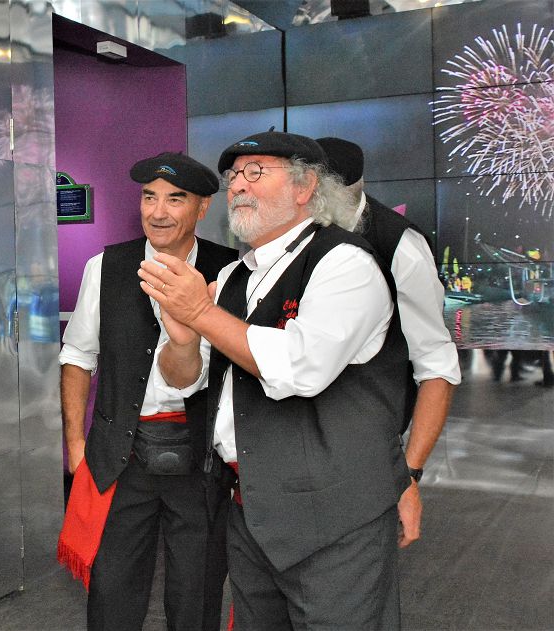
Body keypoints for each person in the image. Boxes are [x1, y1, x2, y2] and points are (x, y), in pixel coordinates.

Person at [139, 131, 411, 628]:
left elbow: (300, 369)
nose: (238, 186)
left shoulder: (344, 263)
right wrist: (182, 340)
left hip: (334, 516)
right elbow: (184, 382)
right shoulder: (234, 277)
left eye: (256, 172)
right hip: (250, 510)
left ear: (305, 187)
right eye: (233, 175)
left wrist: (200, 313)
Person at [57, 152, 237, 630]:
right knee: (112, 591)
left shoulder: (231, 271)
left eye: (175, 199)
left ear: (202, 207)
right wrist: (75, 442)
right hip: (123, 455)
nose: (158, 212)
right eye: (149, 197)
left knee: (196, 593)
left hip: (202, 459)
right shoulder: (106, 266)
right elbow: (77, 357)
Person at [316, 136, 461, 546]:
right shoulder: (295, 236)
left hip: (367, 449)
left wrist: (408, 475)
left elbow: (435, 363)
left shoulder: (401, 246)